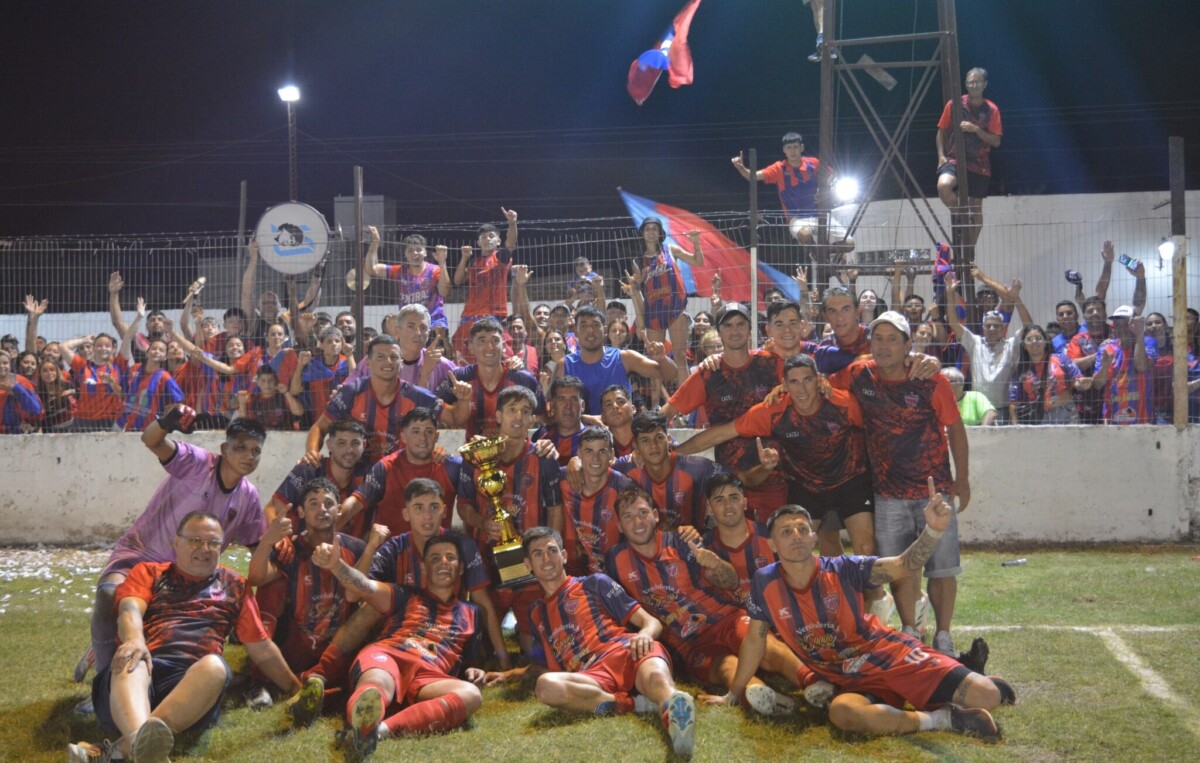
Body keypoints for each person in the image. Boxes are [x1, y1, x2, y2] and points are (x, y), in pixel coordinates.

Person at [729, 501, 1013, 741]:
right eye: (786, 531)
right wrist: (735, 692)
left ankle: (980, 682)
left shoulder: (844, 569)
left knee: (988, 697)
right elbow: (755, 639)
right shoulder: (764, 582)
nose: (796, 536)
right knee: (842, 713)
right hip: (852, 678)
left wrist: (934, 530)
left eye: (803, 529)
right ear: (771, 544)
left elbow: (903, 565)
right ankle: (942, 719)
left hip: (889, 656)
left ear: (814, 538)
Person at [68, 512, 300, 763]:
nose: (205, 548)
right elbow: (129, 610)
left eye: (213, 543)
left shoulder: (235, 586)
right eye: (195, 540)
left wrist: (294, 688)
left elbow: (262, 648)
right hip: (137, 677)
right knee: (130, 657)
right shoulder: (149, 573)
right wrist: (134, 639)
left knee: (215, 666)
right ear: (176, 542)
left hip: (194, 689)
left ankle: (117, 751)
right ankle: (136, 746)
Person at [74, 411, 269, 701]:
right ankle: (102, 685)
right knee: (109, 594)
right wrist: (166, 422)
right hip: (141, 553)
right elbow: (150, 439)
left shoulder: (249, 496)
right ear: (225, 449)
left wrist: (280, 547)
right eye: (240, 448)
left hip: (186, 574)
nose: (249, 456)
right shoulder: (198, 462)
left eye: (256, 451)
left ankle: (121, 635)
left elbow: (259, 548)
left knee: (176, 632)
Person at [606, 487, 826, 716]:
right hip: (689, 644)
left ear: (655, 515)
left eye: (642, 513)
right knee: (725, 667)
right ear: (620, 526)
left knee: (762, 645)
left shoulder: (682, 541)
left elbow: (731, 582)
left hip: (724, 619)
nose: (637, 522)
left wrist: (716, 565)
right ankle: (760, 695)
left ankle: (813, 682)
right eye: (628, 517)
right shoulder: (615, 560)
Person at [485, 527, 698, 758]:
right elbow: (543, 666)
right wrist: (508, 674)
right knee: (546, 686)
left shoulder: (594, 583)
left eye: (552, 550)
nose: (547, 559)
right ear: (528, 564)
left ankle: (673, 712)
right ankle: (634, 704)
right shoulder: (536, 613)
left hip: (626, 650)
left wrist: (645, 635)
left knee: (657, 679)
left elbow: (651, 622)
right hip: (592, 675)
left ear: (564, 555)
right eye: (538, 554)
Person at [836, 311, 969, 656]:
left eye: (892, 339)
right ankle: (910, 630)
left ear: (909, 345)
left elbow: (955, 427)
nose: (883, 346)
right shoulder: (859, 375)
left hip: (932, 492)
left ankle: (943, 635)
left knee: (942, 568)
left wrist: (962, 480)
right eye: (877, 339)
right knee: (900, 566)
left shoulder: (930, 379)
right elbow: (817, 380)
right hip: (887, 493)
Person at [677, 354, 876, 559]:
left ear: (818, 380)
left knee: (866, 549)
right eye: (794, 382)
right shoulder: (773, 411)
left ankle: (872, 592)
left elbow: (875, 430)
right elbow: (720, 433)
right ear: (784, 385)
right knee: (795, 549)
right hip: (806, 486)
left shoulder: (843, 404)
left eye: (808, 380)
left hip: (850, 480)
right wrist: (673, 453)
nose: (802, 389)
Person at [311, 532, 487, 759]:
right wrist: (337, 566)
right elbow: (364, 586)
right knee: (378, 684)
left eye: (450, 557)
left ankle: (379, 732)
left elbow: (469, 662)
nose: (443, 562)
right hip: (389, 656)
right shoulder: (404, 593)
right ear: (424, 567)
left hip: (429, 675)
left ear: (461, 567)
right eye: (435, 557)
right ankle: (365, 718)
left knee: (471, 695)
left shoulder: (472, 613)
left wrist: (475, 670)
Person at [457, 385, 564, 656]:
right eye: (512, 410)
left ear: (532, 420)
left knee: (536, 651)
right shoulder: (475, 458)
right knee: (477, 651)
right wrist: (482, 524)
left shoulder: (543, 458)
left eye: (525, 411)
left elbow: (554, 509)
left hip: (530, 565)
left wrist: (550, 555)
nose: (519, 416)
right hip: (487, 561)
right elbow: (464, 506)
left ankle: (525, 630)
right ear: (498, 416)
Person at [247, 478, 365, 711]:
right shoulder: (289, 548)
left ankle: (319, 681)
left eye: (328, 503)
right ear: (300, 511)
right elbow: (257, 578)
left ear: (339, 510)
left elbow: (362, 595)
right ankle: (259, 678)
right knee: (270, 588)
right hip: (294, 648)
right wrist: (267, 542)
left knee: (372, 603)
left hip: (336, 646)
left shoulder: (356, 548)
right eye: (313, 504)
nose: (322, 509)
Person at [662, 302, 788, 519]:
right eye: (728, 325)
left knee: (776, 547)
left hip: (777, 478)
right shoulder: (709, 373)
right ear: (718, 332)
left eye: (740, 324)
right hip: (731, 484)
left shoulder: (771, 362)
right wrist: (659, 448)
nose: (735, 331)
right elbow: (665, 413)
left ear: (750, 329)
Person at [306, 335, 458, 464]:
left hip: (399, 474)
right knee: (304, 468)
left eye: (393, 357)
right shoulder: (351, 393)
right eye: (381, 357)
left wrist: (463, 399)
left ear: (401, 364)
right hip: (356, 475)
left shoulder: (415, 394)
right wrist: (312, 453)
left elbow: (454, 417)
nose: (388, 362)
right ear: (368, 363)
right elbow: (320, 427)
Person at [342, 407, 462, 535]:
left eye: (429, 431)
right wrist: (333, 523)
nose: (423, 438)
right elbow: (357, 501)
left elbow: (469, 504)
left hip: (436, 549)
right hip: (392, 552)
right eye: (416, 432)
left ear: (436, 436)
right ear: (403, 436)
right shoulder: (385, 467)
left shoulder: (451, 466)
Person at [731, 133, 851, 257]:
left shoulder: (813, 163)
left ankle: (823, 253)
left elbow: (832, 175)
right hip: (797, 218)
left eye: (795, 147)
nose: (792, 151)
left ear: (802, 148)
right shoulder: (779, 168)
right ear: (784, 150)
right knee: (804, 235)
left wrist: (826, 189)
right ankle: (817, 253)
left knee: (849, 243)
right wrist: (741, 168)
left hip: (820, 215)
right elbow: (754, 176)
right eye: (789, 148)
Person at [945, 271, 1034, 422]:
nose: (992, 329)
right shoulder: (974, 343)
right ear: (983, 328)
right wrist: (950, 294)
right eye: (988, 326)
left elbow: (1029, 326)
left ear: (1002, 327)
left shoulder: (1011, 345)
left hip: (1005, 409)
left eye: (996, 326)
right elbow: (954, 323)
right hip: (979, 408)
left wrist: (1016, 298)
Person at [559, 304, 677, 416]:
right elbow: (555, 407)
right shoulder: (565, 365)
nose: (590, 330)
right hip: (582, 434)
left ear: (604, 330)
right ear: (575, 331)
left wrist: (662, 359)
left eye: (595, 324)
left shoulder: (624, 358)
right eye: (584, 325)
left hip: (620, 433)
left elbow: (671, 374)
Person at [437, 317, 544, 438]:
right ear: (471, 346)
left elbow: (542, 417)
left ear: (503, 346)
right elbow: (434, 408)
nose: (489, 347)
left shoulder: (523, 379)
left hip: (514, 454)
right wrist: (458, 411)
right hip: (473, 454)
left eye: (495, 340)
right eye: (482, 340)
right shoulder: (459, 378)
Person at [614, 411, 721, 530]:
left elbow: (733, 481)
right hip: (645, 545)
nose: (653, 445)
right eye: (645, 440)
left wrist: (716, 499)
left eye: (659, 437)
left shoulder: (697, 468)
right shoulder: (624, 469)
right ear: (635, 446)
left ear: (669, 439)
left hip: (691, 543)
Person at [936, 67, 1002, 252]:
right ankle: (957, 211)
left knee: (976, 209)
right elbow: (941, 130)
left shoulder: (991, 109)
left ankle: (968, 252)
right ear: (965, 84)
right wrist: (941, 156)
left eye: (977, 82)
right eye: (970, 82)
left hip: (979, 163)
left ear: (985, 84)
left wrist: (976, 130)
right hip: (954, 158)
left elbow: (996, 141)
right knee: (943, 186)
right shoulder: (955, 104)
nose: (974, 85)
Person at [269, 418, 371, 535]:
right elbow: (272, 509)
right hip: (298, 547)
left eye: (355, 443)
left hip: (342, 549)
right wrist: (281, 539)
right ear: (329, 445)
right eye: (341, 443)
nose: (349, 450)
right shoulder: (308, 470)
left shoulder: (369, 477)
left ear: (364, 445)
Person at [560, 426, 636, 576]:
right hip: (572, 573)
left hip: (614, 574)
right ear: (579, 454)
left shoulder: (623, 486)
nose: (595, 458)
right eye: (589, 451)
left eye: (602, 451)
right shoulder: (562, 479)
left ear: (611, 454)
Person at [629, 217, 703, 370]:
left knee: (680, 357)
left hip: (675, 307)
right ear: (642, 233)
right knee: (656, 359)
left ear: (660, 232)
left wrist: (696, 244)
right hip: (654, 311)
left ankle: (685, 394)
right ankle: (655, 395)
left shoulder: (670, 249)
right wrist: (634, 284)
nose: (651, 232)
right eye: (647, 229)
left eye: (654, 229)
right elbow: (636, 287)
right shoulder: (638, 261)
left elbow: (698, 261)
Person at [694, 474, 776, 607]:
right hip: (731, 621)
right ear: (709, 508)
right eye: (720, 500)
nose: (728, 506)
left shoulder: (771, 536)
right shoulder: (703, 547)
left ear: (745, 503)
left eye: (734, 498)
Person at [452, 208, 519, 362]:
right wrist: (464, 258)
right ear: (478, 242)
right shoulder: (475, 262)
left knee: (502, 359)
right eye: (483, 237)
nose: (487, 239)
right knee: (464, 361)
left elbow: (510, 244)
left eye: (491, 236)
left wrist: (512, 223)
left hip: (491, 317)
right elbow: (457, 280)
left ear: (498, 241)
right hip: (468, 318)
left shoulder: (500, 258)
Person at [366, 226, 452, 334]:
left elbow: (445, 292)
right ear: (405, 254)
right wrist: (375, 243)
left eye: (418, 250)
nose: (414, 253)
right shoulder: (400, 271)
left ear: (425, 252)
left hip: (434, 324)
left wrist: (442, 263)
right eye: (410, 250)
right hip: (409, 326)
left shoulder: (435, 270)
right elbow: (371, 269)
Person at [1007, 325, 1086, 425]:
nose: (1034, 342)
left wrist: (1081, 383)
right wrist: (1016, 428)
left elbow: (1077, 379)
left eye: (1038, 338)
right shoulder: (1020, 370)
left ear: (1045, 341)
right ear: (1024, 345)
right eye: (1029, 339)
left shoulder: (1061, 359)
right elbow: (1014, 402)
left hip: (1065, 415)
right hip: (1036, 419)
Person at [1092, 306, 1156, 424]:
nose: (1121, 329)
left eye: (1126, 324)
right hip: (1112, 419)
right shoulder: (1106, 347)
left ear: (1135, 324)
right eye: (1117, 325)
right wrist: (1105, 366)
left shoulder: (1148, 342)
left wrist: (1139, 335)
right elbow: (1097, 384)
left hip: (1142, 420)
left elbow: (1141, 366)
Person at [535, 375, 587, 465]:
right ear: (552, 406)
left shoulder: (595, 438)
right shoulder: (541, 435)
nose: (568, 406)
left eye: (574, 399)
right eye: (562, 399)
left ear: (582, 406)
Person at [235, 366, 303, 430]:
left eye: (270, 380)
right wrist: (242, 404)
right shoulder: (252, 399)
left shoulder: (283, 397)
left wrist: (286, 393)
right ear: (258, 382)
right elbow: (244, 423)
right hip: (260, 437)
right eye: (263, 380)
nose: (267, 384)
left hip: (284, 436)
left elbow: (299, 412)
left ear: (275, 382)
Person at [0, 349, 42, 433]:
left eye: (5, 363)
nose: (1, 366)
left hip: (19, 433)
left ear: (10, 365)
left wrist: (15, 388)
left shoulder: (21, 381)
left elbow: (35, 409)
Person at [35, 357, 76, 431]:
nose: (49, 373)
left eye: (52, 370)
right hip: (50, 431)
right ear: (40, 374)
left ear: (57, 371)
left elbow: (80, 393)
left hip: (72, 428)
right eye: (45, 371)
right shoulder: (38, 393)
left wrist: (72, 391)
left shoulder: (67, 385)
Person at [599, 384, 637, 457]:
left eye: (621, 402)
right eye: (608, 405)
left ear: (633, 409)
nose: (615, 406)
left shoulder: (648, 436)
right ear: (603, 417)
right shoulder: (600, 445)